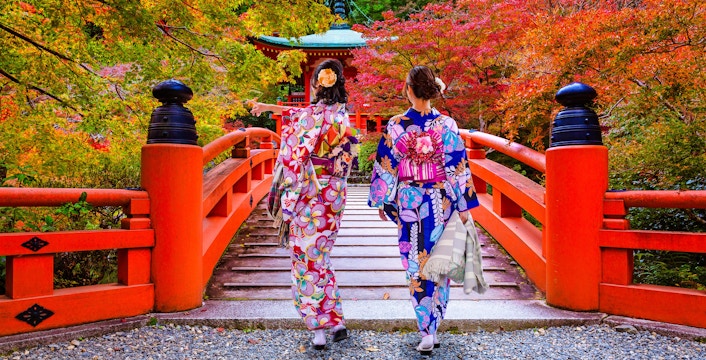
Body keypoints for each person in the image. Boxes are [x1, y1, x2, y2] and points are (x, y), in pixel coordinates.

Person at [367, 65, 479, 355]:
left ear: (409, 89)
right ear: (431, 90)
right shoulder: (448, 125)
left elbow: (385, 164)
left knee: (416, 264)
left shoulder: (396, 124)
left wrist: (382, 199)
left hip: (410, 202)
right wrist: (463, 205)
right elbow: (458, 166)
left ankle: (426, 328)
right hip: (440, 201)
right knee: (438, 262)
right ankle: (434, 324)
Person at [249, 59, 359, 350]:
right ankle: (335, 320)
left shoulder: (307, 116)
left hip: (307, 191)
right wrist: (269, 109)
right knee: (320, 255)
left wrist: (267, 110)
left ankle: (318, 326)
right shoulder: (343, 116)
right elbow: (350, 157)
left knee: (304, 259)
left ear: (315, 84)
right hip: (334, 192)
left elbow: (292, 151)